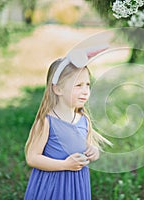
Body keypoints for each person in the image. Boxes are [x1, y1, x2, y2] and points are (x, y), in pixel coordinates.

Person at [24, 46, 111, 200]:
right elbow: (32, 157)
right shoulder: (46, 121)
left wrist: (93, 152)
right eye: (78, 85)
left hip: (76, 184)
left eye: (88, 84)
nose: (85, 91)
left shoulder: (83, 119)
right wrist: (64, 165)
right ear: (58, 89)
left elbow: (85, 146)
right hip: (53, 185)